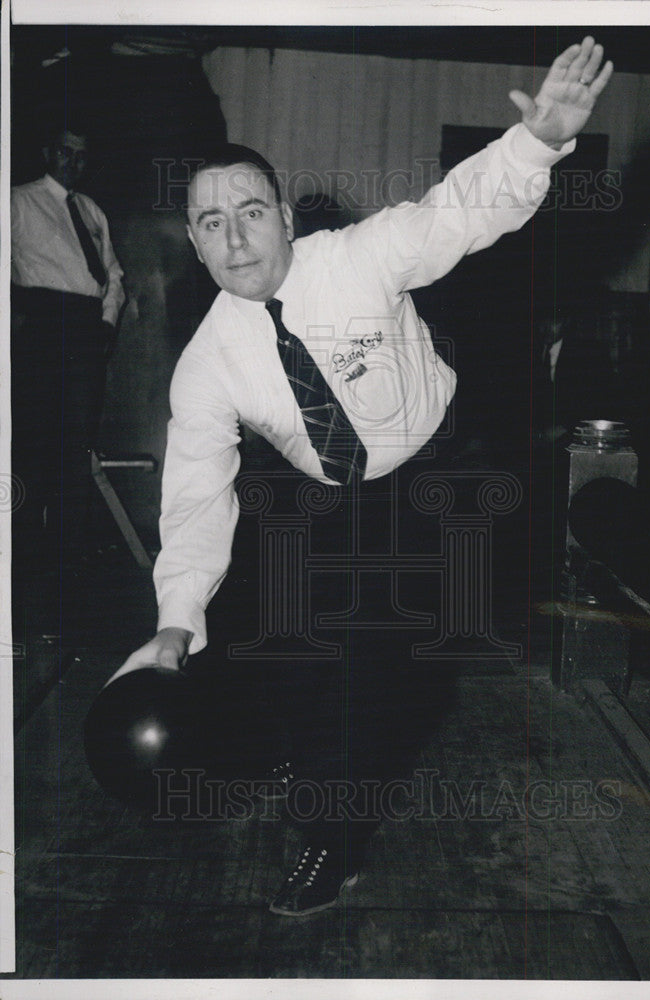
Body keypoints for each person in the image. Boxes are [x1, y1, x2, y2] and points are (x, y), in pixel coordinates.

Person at [112, 38, 613, 915]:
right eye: (211, 223)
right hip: (331, 484)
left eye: (251, 212)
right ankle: (293, 747)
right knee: (272, 633)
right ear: (193, 242)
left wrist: (538, 143)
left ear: (286, 219)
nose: (235, 238)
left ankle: (328, 843)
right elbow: (195, 498)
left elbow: (459, 212)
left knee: (354, 654)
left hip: (443, 469)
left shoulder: (361, 256)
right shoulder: (206, 365)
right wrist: (173, 622)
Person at [11, 125, 126, 563]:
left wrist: (106, 322)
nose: (72, 163)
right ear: (47, 152)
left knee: (76, 444)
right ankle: (19, 555)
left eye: (81, 156)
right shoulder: (18, 201)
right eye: (64, 152)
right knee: (32, 443)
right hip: (40, 326)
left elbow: (113, 275)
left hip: (86, 330)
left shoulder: (93, 211)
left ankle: (65, 555)